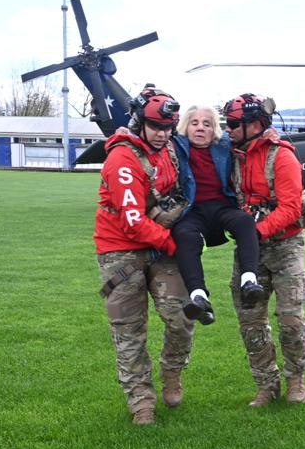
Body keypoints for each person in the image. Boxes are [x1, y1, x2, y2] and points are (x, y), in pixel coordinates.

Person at [93, 88, 194, 425]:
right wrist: (177, 245)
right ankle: (141, 403)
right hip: (121, 251)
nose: (163, 133)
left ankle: (172, 372)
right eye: (155, 126)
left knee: (182, 317)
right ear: (139, 121)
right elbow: (133, 222)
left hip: (160, 245)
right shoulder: (122, 159)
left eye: (168, 127)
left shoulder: (170, 151)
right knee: (129, 332)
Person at [224, 93, 305, 407]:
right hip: (251, 251)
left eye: (234, 123)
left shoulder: (282, 156)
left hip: (286, 246)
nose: (228, 129)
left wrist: (252, 233)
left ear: (255, 124)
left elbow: (289, 208)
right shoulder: (232, 155)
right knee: (251, 321)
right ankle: (266, 384)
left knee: (291, 318)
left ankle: (296, 379)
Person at [171, 105, 265, 326]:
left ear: (215, 130)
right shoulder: (174, 146)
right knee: (184, 234)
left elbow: (254, 140)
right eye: (194, 123)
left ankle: (249, 281)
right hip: (193, 210)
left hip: (222, 207)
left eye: (207, 124)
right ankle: (198, 296)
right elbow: (146, 140)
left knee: (244, 221)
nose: (201, 128)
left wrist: (269, 132)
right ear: (185, 127)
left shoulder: (225, 146)